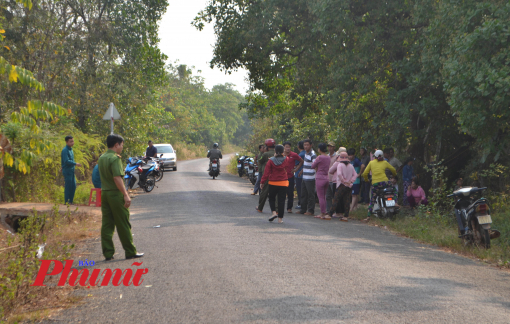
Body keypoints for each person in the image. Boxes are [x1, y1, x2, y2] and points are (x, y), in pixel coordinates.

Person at [99, 134, 143, 261]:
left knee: (107, 224)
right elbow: (117, 178)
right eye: (122, 145)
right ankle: (130, 251)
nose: (122, 148)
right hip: (115, 194)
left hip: (105, 193)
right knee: (123, 223)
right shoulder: (114, 158)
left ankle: (108, 253)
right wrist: (125, 195)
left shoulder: (102, 158)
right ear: (116, 144)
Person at [362, 150, 397, 222]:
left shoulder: (371, 163)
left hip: (375, 184)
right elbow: (393, 170)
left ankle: (368, 216)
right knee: (394, 190)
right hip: (385, 183)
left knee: (372, 200)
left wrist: (366, 180)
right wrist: (393, 175)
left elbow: (365, 173)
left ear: (374, 156)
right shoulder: (385, 162)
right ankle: (396, 202)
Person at [260, 145, 290, 224]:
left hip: (273, 182)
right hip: (283, 182)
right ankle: (280, 219)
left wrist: (262, 182)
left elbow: (266, 173)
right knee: (281, 201)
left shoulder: (271, 161)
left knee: (272, 198)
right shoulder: (286, 159)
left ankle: (274, 212)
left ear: (275, 151)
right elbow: (288, 169)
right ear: (283, 151)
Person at [329, 152, 357, 222]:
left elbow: (339, 174)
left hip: (341, 185)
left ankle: (329, 214)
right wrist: (350, 181)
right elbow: (355, 175)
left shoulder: (340, 165)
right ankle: (346, 216)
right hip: (349, 186)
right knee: (347, 200)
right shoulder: (351, 166)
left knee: (335, 199)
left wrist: (344, 181)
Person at [311, 143, 330, 219]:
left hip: (320, 178)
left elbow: (313, 166)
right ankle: (324, 211)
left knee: (320, 197)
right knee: (324, 196)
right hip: (326, 177)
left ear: (319, 149)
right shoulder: (328, 157)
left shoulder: (320, 157)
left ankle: (322, 212)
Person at [256, 139, 276, 212]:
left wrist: (263, 152)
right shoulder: (278, 153)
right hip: (276, 176)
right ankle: (276, 210)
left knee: (264, 192)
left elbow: (260, 161)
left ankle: (260, 208)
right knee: (276, 193)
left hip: (267, 175)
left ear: (267, 146)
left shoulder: (265, 154)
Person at [283, 142, 303, 213]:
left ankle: (289, 208)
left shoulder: (294, 155)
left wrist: (296, 169)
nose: (288, 148)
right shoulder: (281, 155)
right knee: (281, 193)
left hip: (290, 176)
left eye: (289, 147)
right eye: (286, 147)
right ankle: (279, 207)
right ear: (284, 147)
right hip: (281, 177)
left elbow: (301, 161)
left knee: (290, 193)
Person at [61, 135, 82, 204]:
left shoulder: (71, 150)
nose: (72, 143)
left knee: (73, 186)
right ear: (67, 142)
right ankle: (67, 202)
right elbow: (66, 161)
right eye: (71, 141)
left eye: (73, 141)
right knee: (68, 186)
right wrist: (75, 164)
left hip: (72, 170)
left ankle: (71, 201)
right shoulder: (65, 150)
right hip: (67, 171)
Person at [300, 139, 317, 216]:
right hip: (304, 177)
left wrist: (316, 175)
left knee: (310, 195)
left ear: (311, 145)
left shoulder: (312, 154)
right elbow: (307, 164)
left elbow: (315, 165)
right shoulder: (306, 153)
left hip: (310, 178)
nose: (305, 146)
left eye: (307, 145)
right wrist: (301, 171)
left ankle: (310, 210)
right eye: (304, 145)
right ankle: (303, 209)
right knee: (303, 194)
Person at [326, 142, 337, 213]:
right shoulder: (327, 156)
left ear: (334, 147)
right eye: (329, 146)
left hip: (334, 179)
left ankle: (335, 210)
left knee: (335, 196)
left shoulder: (337, 157)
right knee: (328, 196)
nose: (330, 148)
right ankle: (329, 210)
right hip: (327, 178)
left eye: (331, 146)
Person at [294, 141, 305, 210]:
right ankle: (301, 203)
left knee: (299, 190)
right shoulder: (305, 153)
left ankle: (300, 203)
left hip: (299, 174)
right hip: (305, 175)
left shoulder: (300, 155)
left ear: (298, 146)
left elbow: (296, 164)